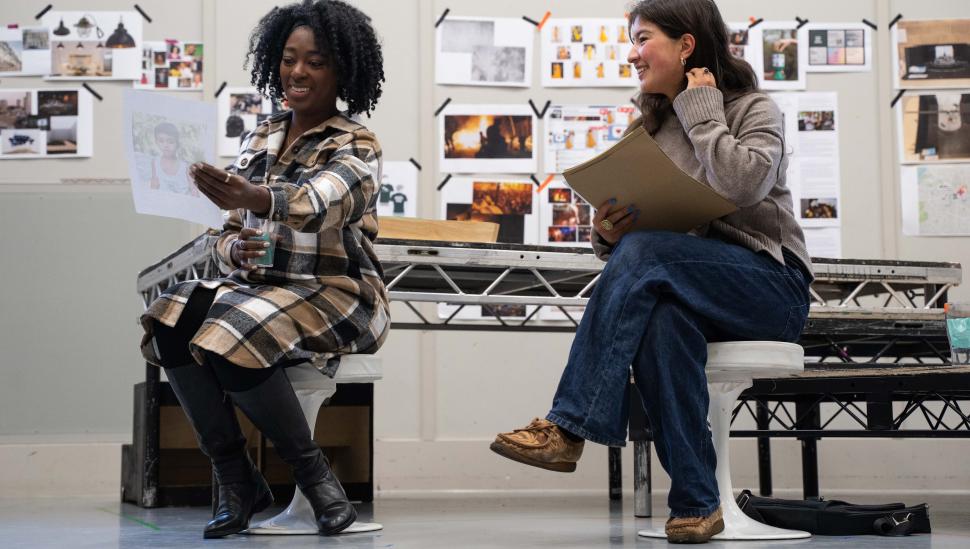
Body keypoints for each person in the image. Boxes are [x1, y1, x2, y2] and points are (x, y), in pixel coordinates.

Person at [490, 0, 812, 543]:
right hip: (694, 289)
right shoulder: (652, 130)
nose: (632, 54)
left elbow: (742, 184)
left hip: (770, 289)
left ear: (686, 45)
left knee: (647, 257)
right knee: (661, 322)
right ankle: (697, 504)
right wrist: (608, 231)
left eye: (643, 39)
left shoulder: (753, 108)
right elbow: (649, 236)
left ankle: (569, 425)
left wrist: (703, 112)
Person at [138, 0, 386, 538]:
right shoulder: (259, 137)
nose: (298, 72)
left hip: (337, 292)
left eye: (316, 62)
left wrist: (256, 196)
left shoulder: (356, 144)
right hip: (262, 290)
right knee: (168, 316)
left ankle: (316, 480)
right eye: (289, 59)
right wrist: (234, 251)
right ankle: (237, 480)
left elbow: (321, 202)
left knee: (233, 326)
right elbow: (224, 232)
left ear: (342, 71)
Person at [147, 122, 195, 196]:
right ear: (156, 142)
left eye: (171, 142)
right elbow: (153, 185)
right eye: (161, 141)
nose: (165, 145)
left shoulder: (185, 167)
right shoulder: (155, 162)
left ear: (177, 143)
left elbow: (193, 189)